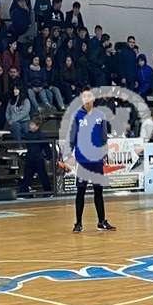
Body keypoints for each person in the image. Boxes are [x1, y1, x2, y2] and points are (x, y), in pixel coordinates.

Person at [64, 88, 116, 233]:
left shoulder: (100, 115)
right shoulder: (77, 115)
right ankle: (78, 223)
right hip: (83, 160)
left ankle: (101, 221)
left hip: (97, 159)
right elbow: (72, 136)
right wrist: (69, 155)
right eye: (84, 97)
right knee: (80, 191)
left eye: (89, 97)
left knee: (98, 191)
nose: (87, 100)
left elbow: (104, 136)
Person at [19, 118, 53, 194]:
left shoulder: (41, 135)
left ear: (37, 126)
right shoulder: (27, 135)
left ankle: (48, 192)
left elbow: (46, 147)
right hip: (29, 158)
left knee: (43, 176)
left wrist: (49, 156)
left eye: (32, 124)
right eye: (30, 124)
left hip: (38, 159)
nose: (30, 126)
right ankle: (23, 192)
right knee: (27, 176)